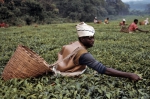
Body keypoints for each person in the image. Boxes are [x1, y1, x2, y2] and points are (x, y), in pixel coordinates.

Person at [52, 22, 141, 81]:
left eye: (93, 37)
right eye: (90, 38)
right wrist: (129, 75)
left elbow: (61, 53)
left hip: (58, 68)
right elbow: (103, 69)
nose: (93, 40)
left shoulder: (72, 44)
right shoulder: (84, 55)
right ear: (82, 39)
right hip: (66, 74)